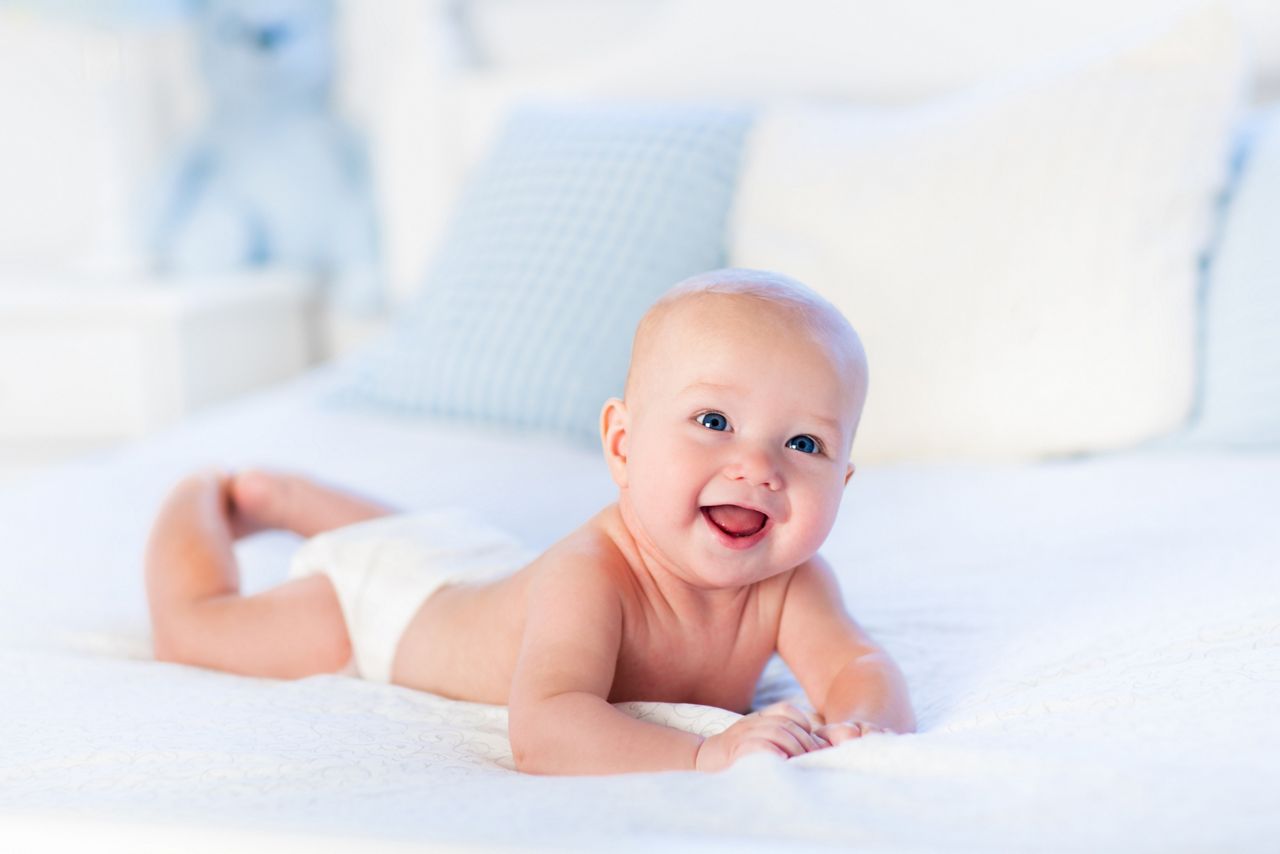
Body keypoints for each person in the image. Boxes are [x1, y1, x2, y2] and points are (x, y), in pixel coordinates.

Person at [144, 268, 916, 775]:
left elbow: (860, 669)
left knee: (434, 542)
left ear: (843, 479)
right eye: (713, 420)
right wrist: (704, 756)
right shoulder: (592, 573)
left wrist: (859, 731)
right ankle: (210, 491)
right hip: (384, 611)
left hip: (471, 561)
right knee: (199, 629)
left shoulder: (792, 580)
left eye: (805, 443)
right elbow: (546, 727)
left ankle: (292, 499)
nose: (759, 467)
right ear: (622, 443)